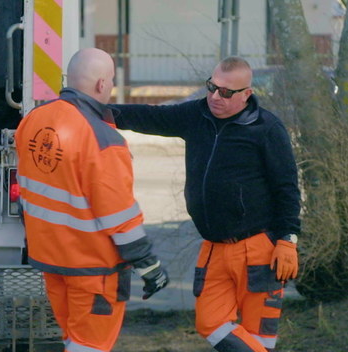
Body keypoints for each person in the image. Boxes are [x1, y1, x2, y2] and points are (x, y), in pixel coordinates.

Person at [112, 56, 300, 352]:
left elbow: (287, 188)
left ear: (246, 94)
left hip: (259, 250)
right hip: (214, 248)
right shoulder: (196, 115)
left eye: (226, 92)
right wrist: (94, 111)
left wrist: (288, 240)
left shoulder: (266, 128)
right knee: (210, 323)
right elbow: (149, 115)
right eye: (212, 87)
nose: (215, 96)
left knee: (259, 338)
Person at [15, 48, 169, 352]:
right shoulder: (103, 139)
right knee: (89, 346)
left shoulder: (33, 121)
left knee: (75, 342)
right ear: (101, 85)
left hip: (53, 263)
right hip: (94, 271)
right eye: (110, 81)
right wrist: (149, 266)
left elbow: (30, 191)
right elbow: (119, 216)